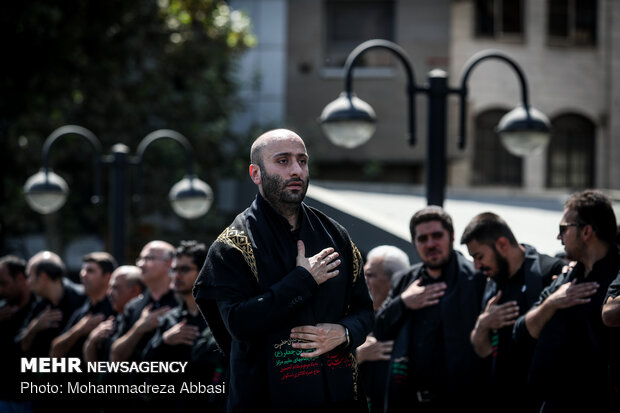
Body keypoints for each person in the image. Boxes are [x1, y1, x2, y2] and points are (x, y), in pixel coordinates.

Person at [193, 129, 374, 413]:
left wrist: (344, 333)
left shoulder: (335, 235)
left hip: (339, 399)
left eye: (302, 161)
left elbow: (364, 310)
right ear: (256, 173)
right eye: (283, 161)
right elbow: (238, 324)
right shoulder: (233, 245)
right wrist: (303, 280)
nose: (296, 170)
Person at [513, 189, 620, 411]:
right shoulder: (566, 276)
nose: (558, 237)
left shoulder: (616, 277)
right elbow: (521, 333)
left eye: (563, 229)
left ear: (586, 231)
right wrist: (553, 303)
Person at [374, 206, 487, 413]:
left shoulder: (476, 279)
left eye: (437, 236)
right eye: (423, 238)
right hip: (408, 401)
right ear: (415, 243)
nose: (431, 244)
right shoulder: (404, 281)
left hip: (463, 401)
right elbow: (380, 329)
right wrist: (404, 302)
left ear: (452, 237)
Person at [460, 212, 565, 412]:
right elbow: (483, 350)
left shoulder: (550, 271)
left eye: (479, 256)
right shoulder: (492, 282)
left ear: (502, 244)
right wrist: (483, 324)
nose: (476, 265)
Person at [143, 240, 227, 412]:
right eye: (174, 269)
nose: (177, 275)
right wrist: (164, 341)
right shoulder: (170, 320)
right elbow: (146, 369)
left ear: (203, 271)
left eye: (185, 269)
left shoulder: (222, 316)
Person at [356, 245, 409, 413]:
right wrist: (357, 356)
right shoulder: (352, 315)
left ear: (395, 281)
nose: (362, 280)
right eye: (362, 274)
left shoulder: (410, 323)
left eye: (370, 275)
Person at [109, 240, 177, 362]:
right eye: (140, 259)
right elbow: (115, 357)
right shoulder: (133, 307)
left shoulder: (184, 303)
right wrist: (139, 328)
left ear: (169, 263)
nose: (141, 264)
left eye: (148, 258)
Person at [17, 251, 86, 356]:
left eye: (30, 276)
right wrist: (34, 327)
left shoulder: (83, 299)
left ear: (43, 277)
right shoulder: (39, 305)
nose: (28, 282)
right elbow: (20, 345)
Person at [50, 252, 117, 358]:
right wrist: (79, 330)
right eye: (83, 270)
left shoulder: (117, 309)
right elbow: (54, 352)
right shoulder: (82, 312)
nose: (83, 274)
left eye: (90, 271)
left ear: (107, 277)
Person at [83, 265, 144, 362]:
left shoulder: (147, 320)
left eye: (115, 288)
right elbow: (97, 370)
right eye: (109, 287)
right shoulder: (112, 321)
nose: (109, 293)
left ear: (135, 290)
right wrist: (92, 341)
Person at [0, 255, 37, 410]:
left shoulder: (41, 308)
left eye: (4, 283)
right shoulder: (2, 310)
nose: (1, 290)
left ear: (21, 278)